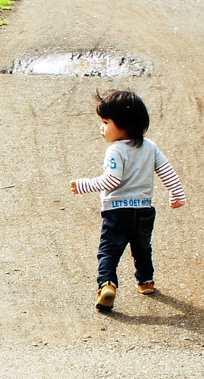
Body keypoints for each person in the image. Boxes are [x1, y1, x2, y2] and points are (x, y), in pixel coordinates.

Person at [70, 91, 186, 313]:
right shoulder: (150, 147)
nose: (101, 128)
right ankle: (146, 281)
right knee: (142, 248)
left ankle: (107, 285)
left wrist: (85, 185)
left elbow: (112, 180)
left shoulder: (115, 150)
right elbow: (167, 171)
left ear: (124, 125)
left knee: (109, 252)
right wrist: (177, 194)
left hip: (117, 212)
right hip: (144, 210)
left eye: (106, 122)